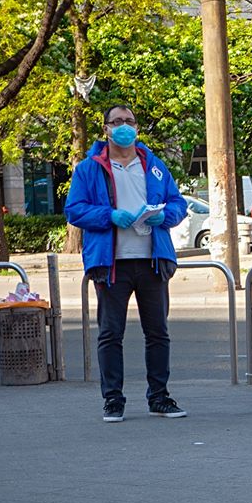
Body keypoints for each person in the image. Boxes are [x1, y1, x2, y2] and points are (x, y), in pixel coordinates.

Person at [64, 105, 189, 422]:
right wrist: (109, 216)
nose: (124, 126)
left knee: (158, 333)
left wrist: (166, 216)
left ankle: (159, 398)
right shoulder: (88, 169)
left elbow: (177, 203)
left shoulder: (154, 165)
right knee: (110, 334)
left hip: (152, 261)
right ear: (105, 128)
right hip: (111, 264)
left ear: (137, 127)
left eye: (129, 121)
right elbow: (74, 210)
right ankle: (113, 401)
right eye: (116, 121)